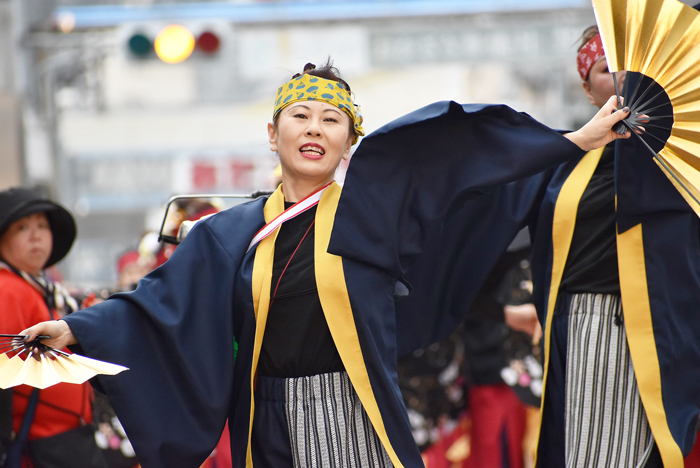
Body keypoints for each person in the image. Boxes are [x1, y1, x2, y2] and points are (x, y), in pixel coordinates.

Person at [22, 61, 630, 468]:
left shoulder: (377, 210)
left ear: (349, 141)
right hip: (271, 417)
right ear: (273, 132)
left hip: (356, 407)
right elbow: (158, 301)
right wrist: (76, 328)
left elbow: (463, 172)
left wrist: (572, 143)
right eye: (300, 117)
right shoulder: (228, 233)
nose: (314, 129)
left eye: (331, 120)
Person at [339, 27, 700, 467]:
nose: (625, 79)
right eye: (608, 68)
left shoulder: (683, 155)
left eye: (636, 68)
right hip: (592, 324)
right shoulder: (563, 161)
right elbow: (477, 214)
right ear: (588, 90)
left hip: (677, 325)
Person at [0, 187, 108, 468]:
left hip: (64, 439)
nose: (35, 235)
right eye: (22, 227)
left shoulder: (41, 288)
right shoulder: (7, 288)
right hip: (40, 445)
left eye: (42, 225)